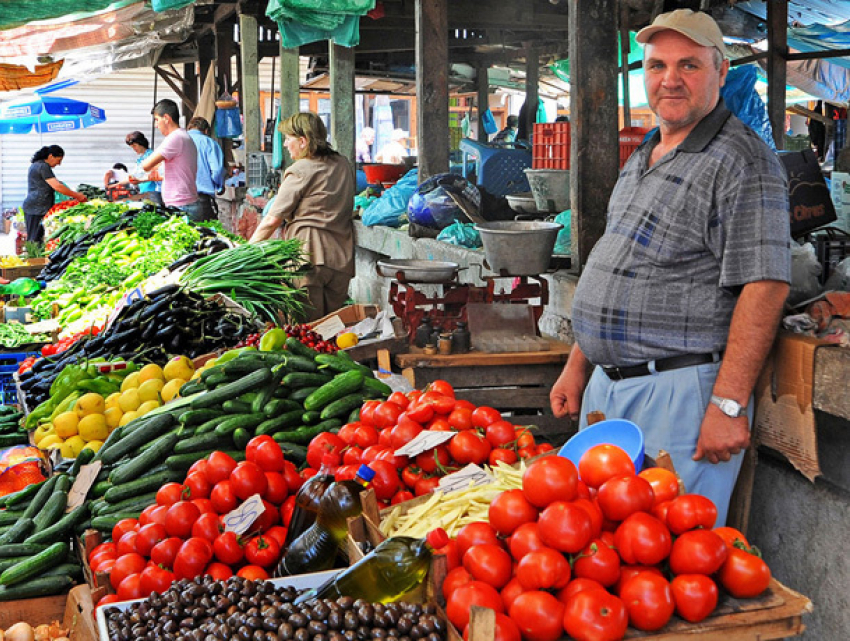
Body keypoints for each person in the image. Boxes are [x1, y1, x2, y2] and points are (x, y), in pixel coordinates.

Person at [549, 9, 791, 527]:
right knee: (603, 553)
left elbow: (765, 286)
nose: (670, 80)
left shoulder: (743, 160)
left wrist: (727, 407)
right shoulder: (646, 152)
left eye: (689, 65)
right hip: (610, 389)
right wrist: (579, 362)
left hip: (679, 394)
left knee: (665, 559)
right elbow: (618, 263)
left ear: (722, 72)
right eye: (657, 66)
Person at [249, 112, 355, 322]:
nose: (286, 145)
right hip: (341, 258)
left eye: (288, 139)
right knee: (331, 328)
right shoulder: (343, 164)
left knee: (307, 330)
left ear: (303, 141)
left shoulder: (300, 170)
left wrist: (247, 250)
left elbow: (272, 219)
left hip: (308, 257)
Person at [141, 99, 199, 218]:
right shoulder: (184, 136)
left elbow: (146, 165)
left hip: (180, 204)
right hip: (184, 201)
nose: (155, 125)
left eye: (157, 120)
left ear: (166, 118)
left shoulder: (175, 138)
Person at [22, 145, 87, 244]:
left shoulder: (37, 165)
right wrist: (77, 196)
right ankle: (34, 259)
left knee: (36, 238)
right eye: (59, 160)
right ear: (51, 156)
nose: (59, 163)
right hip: (36, 207)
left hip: (36, 206)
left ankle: (36, 258)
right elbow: (57, 186)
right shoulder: (43, 166)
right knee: (35, 239)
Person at [187, 116, 225, 222]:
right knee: (205, 235)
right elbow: (217, 171)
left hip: (177, 200)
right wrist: (219, 186)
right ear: (206, 131)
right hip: (200, 200)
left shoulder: (177, 141)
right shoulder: (209, 143)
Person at [125, 130, 163, 204]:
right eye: (132, 147)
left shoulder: (151, 156)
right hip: (145, 192)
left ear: (141, 143)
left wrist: (139, 180)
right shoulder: (140, 158)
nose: (134, 149)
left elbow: (155, 174)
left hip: (153, 192)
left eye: (135, 146)